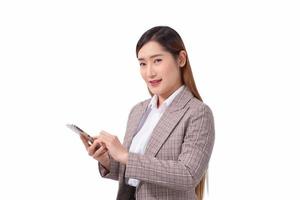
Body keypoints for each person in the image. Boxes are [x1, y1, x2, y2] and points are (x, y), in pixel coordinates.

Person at [80, 26, 215, 200]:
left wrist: (125, 155)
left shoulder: (198, 113)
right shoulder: (138, 111)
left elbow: (188, 174)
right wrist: (107, 159)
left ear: (181, 59)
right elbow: (133, 175)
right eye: (143, 63)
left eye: (157, 60)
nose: (149, 72)